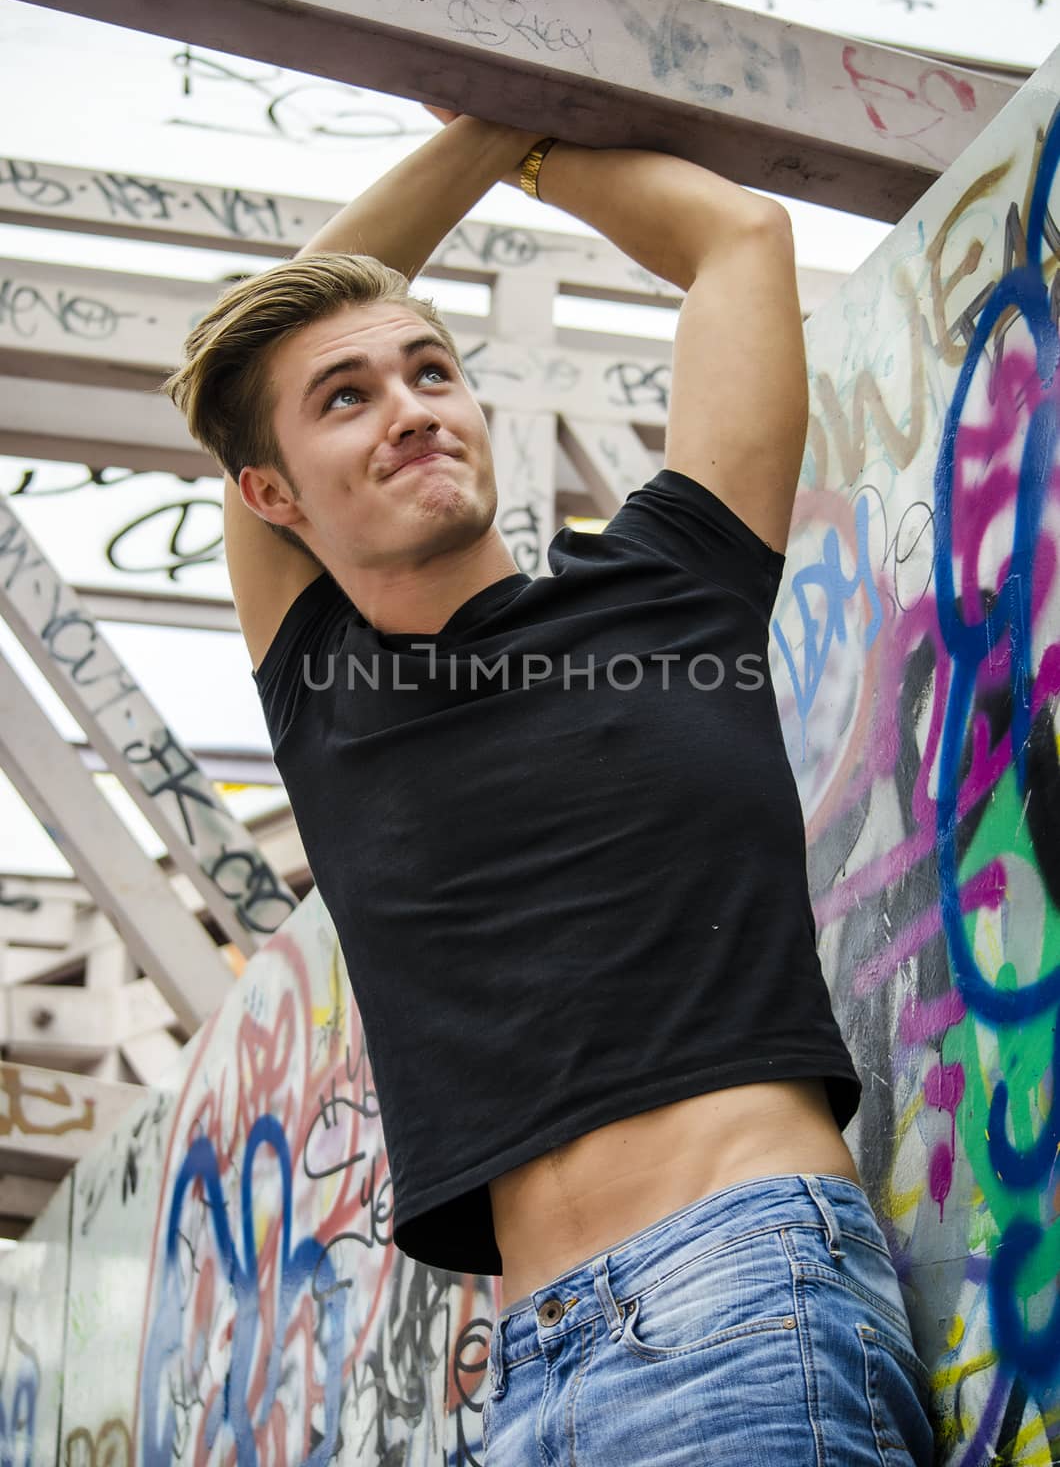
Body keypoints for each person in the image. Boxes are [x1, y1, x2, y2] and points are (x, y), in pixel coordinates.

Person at [166, 110, 936, 1464]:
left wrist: (531, 142)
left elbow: (738, 241)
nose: (410, 410)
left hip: (749, 1295)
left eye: (431, 371)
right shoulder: (330, 701)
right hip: (527, 1382)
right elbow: (241, 357)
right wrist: (470, 131)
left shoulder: (673, 585)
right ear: (271, 494)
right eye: (349, 397)